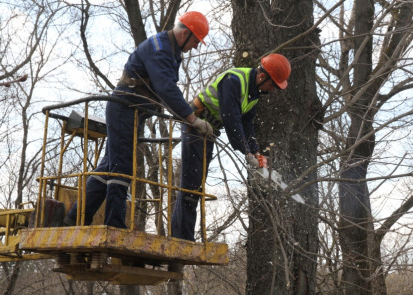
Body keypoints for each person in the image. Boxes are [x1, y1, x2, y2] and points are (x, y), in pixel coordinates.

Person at [64, 11, 213, 228]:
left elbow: (165, 88)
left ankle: (76, 217)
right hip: (125, 108)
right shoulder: (161, 50)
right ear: (184, 33)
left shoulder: (169, 49)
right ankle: (114, 224)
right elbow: (167, 89)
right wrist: (193, 119)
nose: (196, 47)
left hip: (133, 111)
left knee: (109, 165)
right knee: (121, 167)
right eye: (196, 41)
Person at [171, 53, 291, 241]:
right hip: (196, 124)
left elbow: (247, 123)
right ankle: (182, 238)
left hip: (209, 131)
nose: (272, 90)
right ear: (262, 77)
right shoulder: (234, 80)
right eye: (273, 85)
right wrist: (246, 151)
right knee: (191, 185)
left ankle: (182, 236)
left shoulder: (254, 93)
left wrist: (256, 151)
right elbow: (231, 119)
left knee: (196, 183)